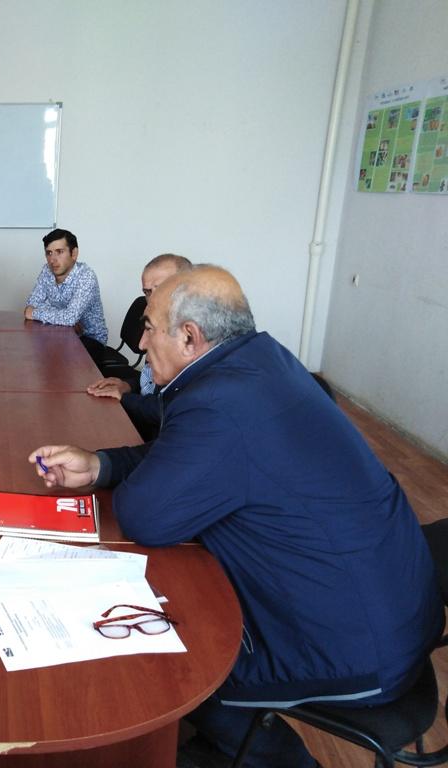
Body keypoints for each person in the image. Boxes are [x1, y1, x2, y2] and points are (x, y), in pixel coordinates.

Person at [29, 265, 443, 768]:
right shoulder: (263, 361)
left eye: (150, 327)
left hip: (355, 650)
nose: (141, 340)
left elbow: (143, 516)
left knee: (173, 657)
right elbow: (189, 454)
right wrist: (102, 465)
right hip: (395, 612)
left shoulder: (219, 403)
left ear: (189, 337)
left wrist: (123, 474)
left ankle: (277, 760)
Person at [87, 252, 192, 404]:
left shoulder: (190, 335)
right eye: (148, 292)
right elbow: (151, 382)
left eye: (162, 288)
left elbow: (163, 408)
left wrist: (126, 398)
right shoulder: (159, 321)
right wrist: (128, 385)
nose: (153, 299)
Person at [24, 228, 109, 364]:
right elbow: (31, 305)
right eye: (49, 253)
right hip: (60, 332)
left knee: (55, 363)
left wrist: (66, 318)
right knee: (33, 356)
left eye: (59, 252)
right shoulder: (47, 271)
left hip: (90, 339)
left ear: (74, 253)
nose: (53, 260)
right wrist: (65, 320)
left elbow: (67, 317)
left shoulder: (86, 276)